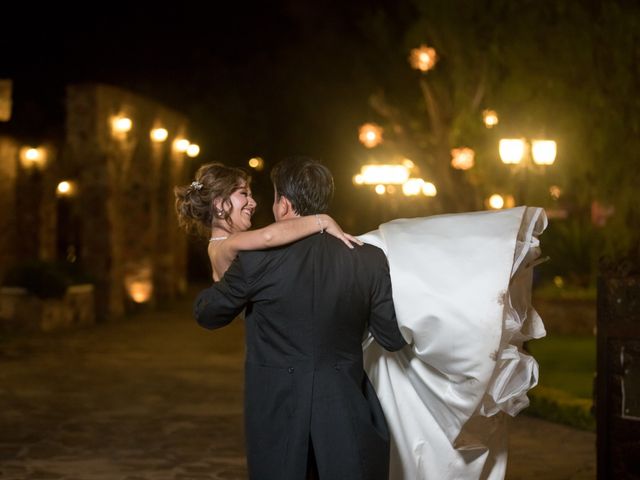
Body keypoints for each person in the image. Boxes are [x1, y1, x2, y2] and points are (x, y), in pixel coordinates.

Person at [177, 158, 407, 479]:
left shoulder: (256, 261)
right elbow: (391, 337)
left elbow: (209, 314)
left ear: (283, 204)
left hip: (278, 416)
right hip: (347, 411)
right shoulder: (368, 257)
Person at [174, 162, 362, 281]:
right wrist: (323, 220)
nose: (253, 203)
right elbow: (268, 236)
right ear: (219, 204)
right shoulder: (227, 244)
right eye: (243, 194)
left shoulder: (218, 245)